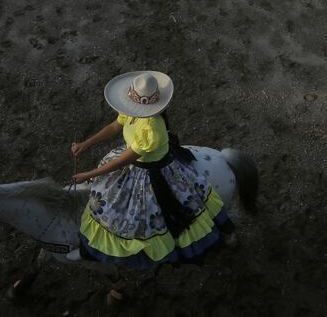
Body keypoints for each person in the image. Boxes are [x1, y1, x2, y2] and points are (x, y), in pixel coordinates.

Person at [72, 71, 233, 273]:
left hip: (150, 173)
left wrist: (89, 174)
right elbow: (115, 126)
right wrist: (86, 144)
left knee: (154, 213)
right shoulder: (132, 111)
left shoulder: (152, 128)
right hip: (134, 163)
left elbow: (124, 160)